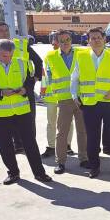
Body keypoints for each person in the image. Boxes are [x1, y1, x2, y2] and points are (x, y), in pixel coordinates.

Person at [0, 39, 52, 184]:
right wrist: (0, 93)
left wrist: (25, 89)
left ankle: (39, 173)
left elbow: (30, 80)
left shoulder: (20, 62)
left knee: (30, 143)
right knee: (5, 145)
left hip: (22, 110)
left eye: (10, 55)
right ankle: (13, 173)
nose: (8, 59)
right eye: (5, 56)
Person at [71, 27, 110, 178]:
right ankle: (94, 167)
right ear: (88, 41)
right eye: (92, 38)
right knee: (92, 138)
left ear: (104, 39)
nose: (96, 40)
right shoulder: (80, 55)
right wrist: (75, 96)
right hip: (90, 104)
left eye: (98, 37)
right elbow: (74, 79)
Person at [0, 21, 43, 152]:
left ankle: (30, 144)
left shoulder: (20, 45)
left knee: (29, 118)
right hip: (2, 92)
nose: (5, 32)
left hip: (24, 89)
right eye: (1, 30)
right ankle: (18, 144)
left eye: (6, 29)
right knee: (9, 119)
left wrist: (35, 78)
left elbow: (38, 61)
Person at [45, 29, 89, 174]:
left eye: (67, 40)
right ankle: (60, 162)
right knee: (61, 132)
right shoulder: (51, 56)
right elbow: (49, 76)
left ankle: (84, 158)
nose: (64, 43)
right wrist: (53, 92)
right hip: (63, 99)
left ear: (72, 40)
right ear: (56, 42)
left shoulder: (82, 54)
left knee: (83, 131)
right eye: (61, 41)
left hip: (81, 98)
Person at [40, 31, 73, 158]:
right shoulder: (49, 56)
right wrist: (43, 92)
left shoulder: (75, 54)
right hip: (52, 96)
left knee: (68, 123)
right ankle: (51, 146)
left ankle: (67, 145)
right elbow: (45, 76)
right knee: (51, 122)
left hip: (67, 96)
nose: (56, 43)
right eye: (56, 41)